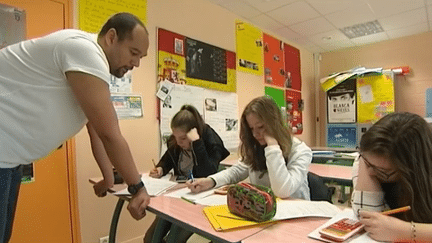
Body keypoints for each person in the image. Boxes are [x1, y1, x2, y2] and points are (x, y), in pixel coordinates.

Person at [0, 12, 150, 242]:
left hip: (9, 158)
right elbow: (109, 133)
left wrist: (108, 179)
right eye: (133, 53)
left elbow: (96, 129)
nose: (136, 63)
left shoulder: (90, 63)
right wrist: (137, 188)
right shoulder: (84, 51)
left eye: (141, 57)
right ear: (111, 37)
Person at [186, 96, 312, 201]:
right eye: (251, 128)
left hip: (294, 216)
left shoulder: (300, 151)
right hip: (262, 211)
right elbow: (236, 171)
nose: (255, 134)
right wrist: (210, 181)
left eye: (261, 127)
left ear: (275, 123)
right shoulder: (256, 147)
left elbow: (282, 191)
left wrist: (272, 146)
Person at [144, 105, 230, 243]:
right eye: (176, 137)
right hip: (177, 197)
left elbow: (208, 172)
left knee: (174, 240)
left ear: (194, 133)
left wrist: (197, 143)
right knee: (150, 239)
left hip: (198, 202)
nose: (178, 142)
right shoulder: (177, 143)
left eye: (183, 138)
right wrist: (160, 169)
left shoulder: (210, 142)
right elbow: (166, 161)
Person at [351, 112, 432, 242]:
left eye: (383, 171)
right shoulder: (368, 161)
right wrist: (364, 161)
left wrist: (405, 231)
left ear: (412, 169)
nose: (371, 172)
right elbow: (368, 218)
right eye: (368, 164)